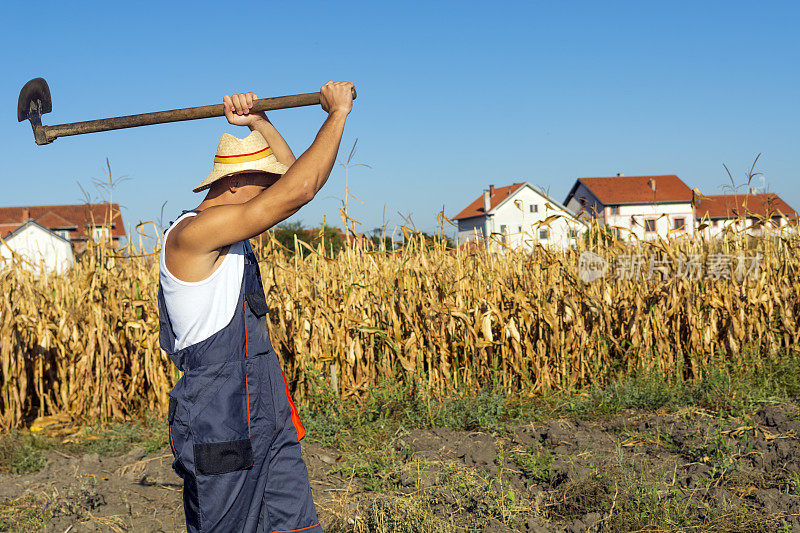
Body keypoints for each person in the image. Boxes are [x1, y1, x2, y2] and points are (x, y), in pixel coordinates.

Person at [158, 81, 354, 532]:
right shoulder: (193, 235)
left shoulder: (231, 232)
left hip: (262, 403)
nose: (270, 195)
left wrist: (258, 122)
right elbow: (297, 188)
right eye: (261, 184)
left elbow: (294, 177)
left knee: (293, 523)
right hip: (218, 414)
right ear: (231, 182)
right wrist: (336, 114)